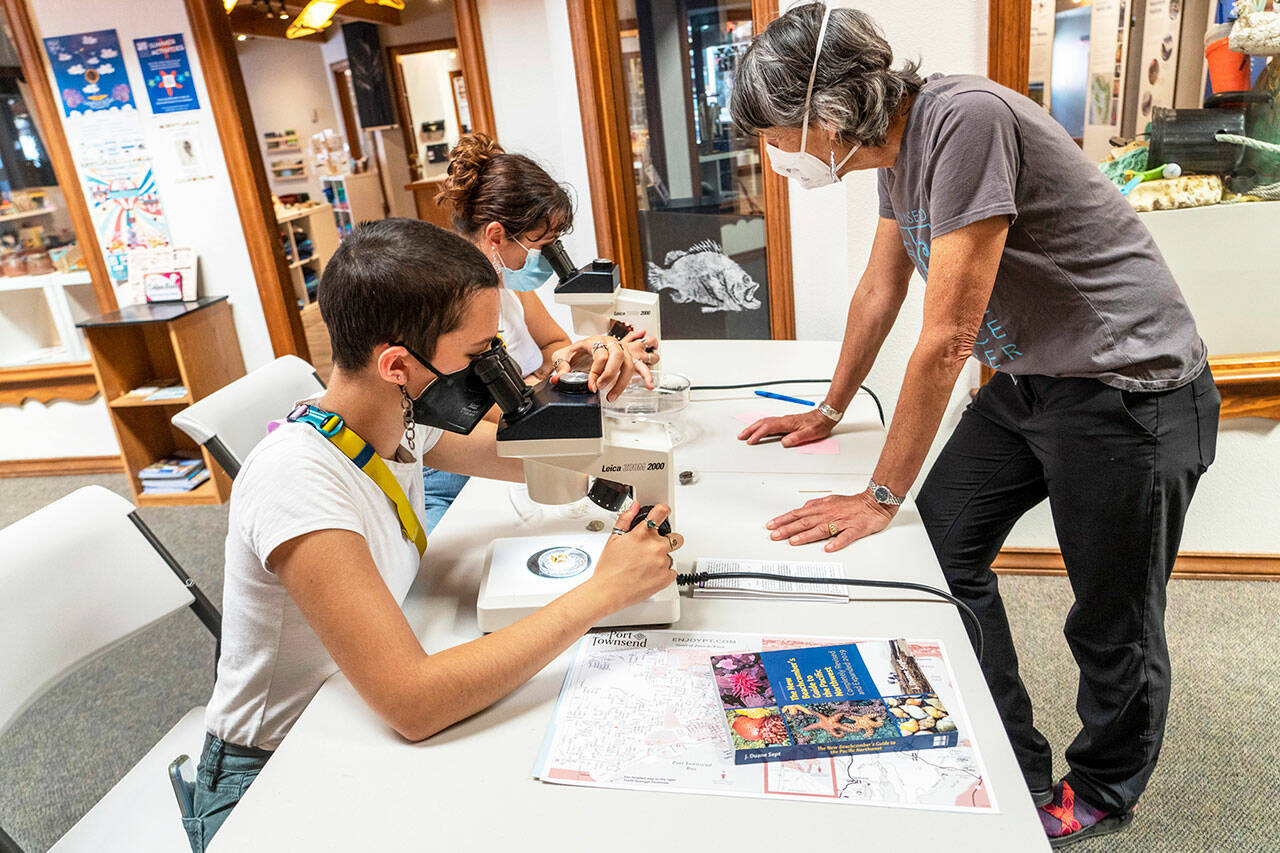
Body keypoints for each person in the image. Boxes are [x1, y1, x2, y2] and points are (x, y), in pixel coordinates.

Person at [730, 3, 1218, 848]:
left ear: (830, 112)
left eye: (779, 130)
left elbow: (949, 333)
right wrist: (828, 408)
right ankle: (1016, 763)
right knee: (942, 560)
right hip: (1033, 380)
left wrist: (881, 492)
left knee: (1112, 616)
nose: (778, 153)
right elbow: (880, 290)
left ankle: (1104, 785)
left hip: (1127, 390)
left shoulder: (967, 120)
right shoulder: (892, 150)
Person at [184, 219, 682, 852]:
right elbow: (415, 703)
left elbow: (531, 455)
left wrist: (585, 385)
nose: (493, 370)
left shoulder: (393, 425)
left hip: (354, 719)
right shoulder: (297, 481)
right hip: (274, 776)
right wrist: (603, 593)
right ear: (398, 365)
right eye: (479, 357)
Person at [419, 132, 661, 530]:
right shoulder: (445, 301)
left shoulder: (505, 279)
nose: (544, 256)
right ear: (497, 236)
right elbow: (486, 411)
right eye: (540, 243)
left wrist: (576, 360)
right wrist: (552, 381)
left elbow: (553, 344)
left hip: (517, 446)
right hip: (461, 471)